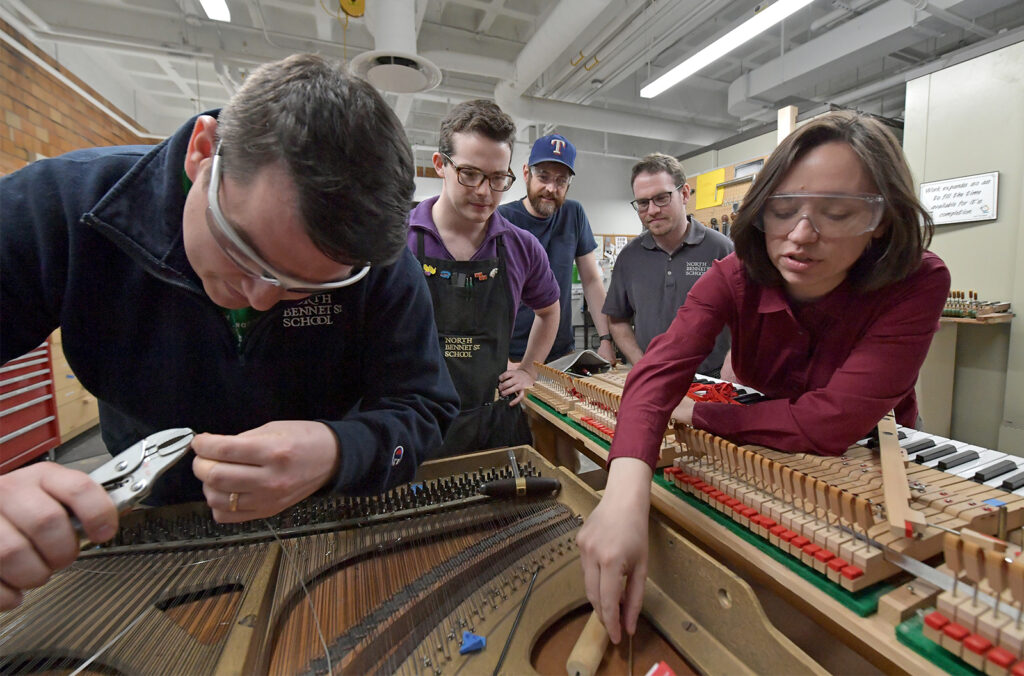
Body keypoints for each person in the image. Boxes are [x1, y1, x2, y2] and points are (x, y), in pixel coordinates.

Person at [0, 54, 460, 610]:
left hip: (319, 523)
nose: (262, 297)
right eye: (243, 251)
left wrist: (339, 451)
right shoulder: (65, 207)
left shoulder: (375, 264)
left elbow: (424, 406)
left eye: (303, 286)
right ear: (203, 152)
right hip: (145, 525)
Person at [577, 110, 951, 644]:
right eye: (782, 210)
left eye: (839, 212)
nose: (801, 236)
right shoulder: (734, 275)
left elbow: (832, 424)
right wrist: (622, 495)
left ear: (883, 220)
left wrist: (705, 413)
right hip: (765, 438)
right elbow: (656, 373)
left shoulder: (919, 280)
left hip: (864, 455)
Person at [408, 100, 560, 457]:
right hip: (417, 427)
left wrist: (527, 370)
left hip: (494, 424)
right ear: (440, 166)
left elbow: (549, 311)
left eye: (497, 179)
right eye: (470, 174)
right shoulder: (400, 239)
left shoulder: (522, 247)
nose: (483, 191)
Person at [602, 153, 733, 375]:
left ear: (683, 194)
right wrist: (642, 364)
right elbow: (617, 320)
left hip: (712, 382)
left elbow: (748, 318)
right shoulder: (629, 257)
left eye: (661, 198)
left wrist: (732, 363)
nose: (652, 210)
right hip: (652, 381)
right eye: (643, 203)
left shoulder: (723, 250)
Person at [498, 134, 616, 364]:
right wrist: (501, 358)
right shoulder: (503, 219)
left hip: (561, 353)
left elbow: (592, 280)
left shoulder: (574, 214)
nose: (551, 188)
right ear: (526, 173)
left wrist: (606, 339)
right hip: (513, 355)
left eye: (561, 181)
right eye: (543, 176)